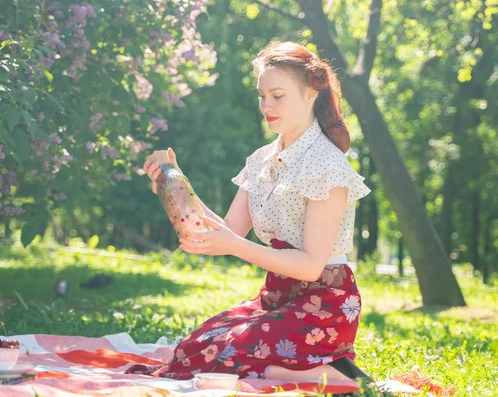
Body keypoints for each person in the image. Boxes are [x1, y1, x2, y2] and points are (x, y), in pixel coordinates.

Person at [135, 41, 372, 382]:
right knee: (193, 348)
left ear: (310, 94)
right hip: (276, 299)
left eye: (278, 95)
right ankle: (305, 370)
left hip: (325, 306)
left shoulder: (327, 165)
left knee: (222, 356)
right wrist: (174, 182)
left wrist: (233, 245)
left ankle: (333, 375)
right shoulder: (261, 160)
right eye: (262, 96)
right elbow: (228, 229)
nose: (266, 105)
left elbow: (309, 266)